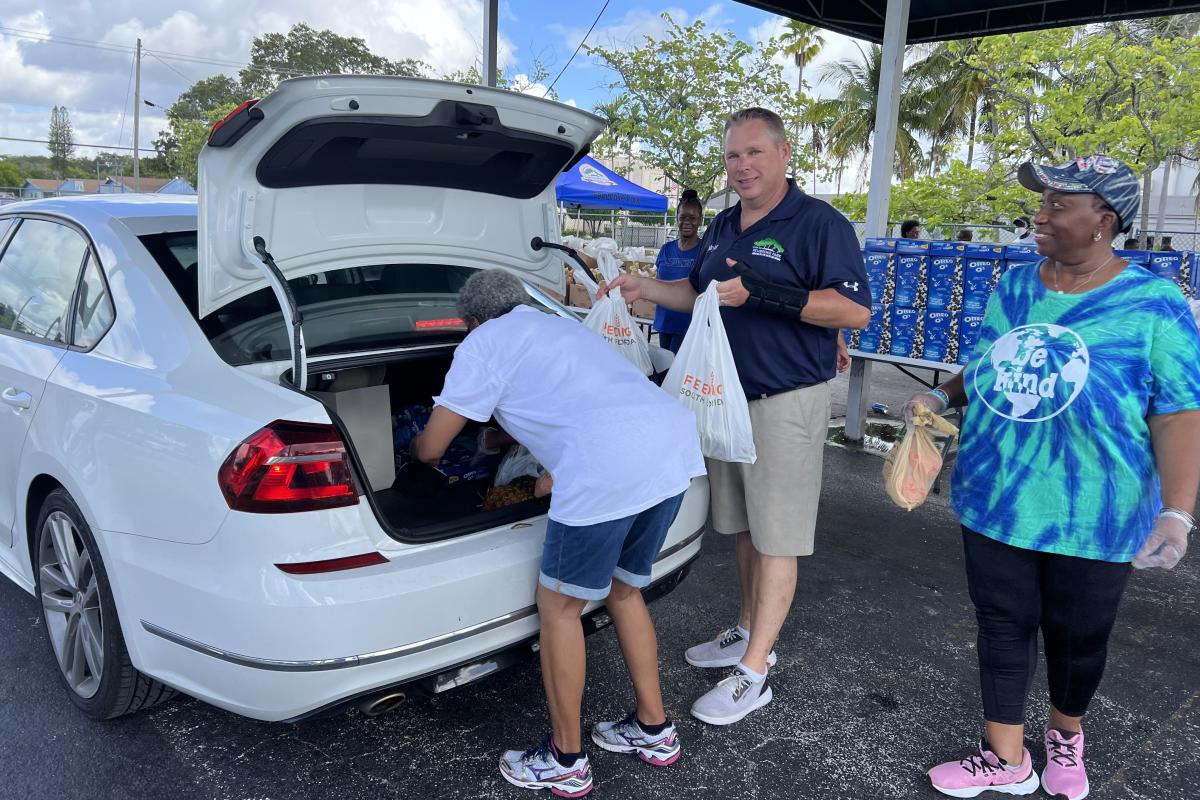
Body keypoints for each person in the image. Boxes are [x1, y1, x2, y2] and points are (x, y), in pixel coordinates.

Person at [906, 154, 1200, 799]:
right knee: (1002, 623)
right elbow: (986, 365)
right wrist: (939, 399)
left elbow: (1178, 413)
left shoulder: (1154, 303)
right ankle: (1005, 755)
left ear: (1104, 219)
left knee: (1078, 635)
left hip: (1096, 508)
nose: (1039, 216)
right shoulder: (1015, 287)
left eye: (1058, 205)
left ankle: (1066, 736)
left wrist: (1176, 512)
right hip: (997, 495)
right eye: (1040, 203)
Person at [600, 107, 871, 726]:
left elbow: (853, 312)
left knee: (778, 538)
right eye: (732, 156)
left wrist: (767, 295)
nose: (742, 166)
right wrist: (644, 289)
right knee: (747, 529)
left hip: (785, 402)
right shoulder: (722, 224)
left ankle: (756, 671)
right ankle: (746, 630)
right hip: (726, 401)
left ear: (782, 154)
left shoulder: (819, 224)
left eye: (754, 153)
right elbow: (695, 294)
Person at [411, 269, 706, 797]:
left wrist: (410, 456)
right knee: (624, 590)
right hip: (670, 448)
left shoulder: (482, 343)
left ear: (471, 321)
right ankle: (653, 729)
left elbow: (432, 448)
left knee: (559, 608)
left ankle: (566, 759)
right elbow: (572, 397)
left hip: (605, 469)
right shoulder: (555, 324)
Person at [653, 189, 704, 353]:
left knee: (674, 372)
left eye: (693, 218)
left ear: (700, 220)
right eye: (682, 217)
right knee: (664, 368)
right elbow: (658, 280)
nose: (687, 222)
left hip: (689, 325)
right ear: (677, 219)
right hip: (664, 321)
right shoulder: (666, 249)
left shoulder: (705, 251)